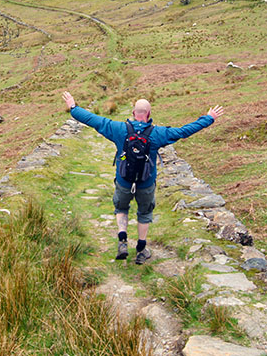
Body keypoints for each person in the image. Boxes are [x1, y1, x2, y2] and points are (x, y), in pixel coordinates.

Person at [62, 91, 224, 264]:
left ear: (133, 113)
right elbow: (184, 131)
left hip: (124, 181)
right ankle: (141, 250)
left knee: (121, 208)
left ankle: (122, 241)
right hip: (146, 183)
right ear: (149, 114)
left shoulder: (118, 129)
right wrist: (209, 118)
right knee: (144, 214)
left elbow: (92, 119)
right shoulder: (158, 134)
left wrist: (73, 107)